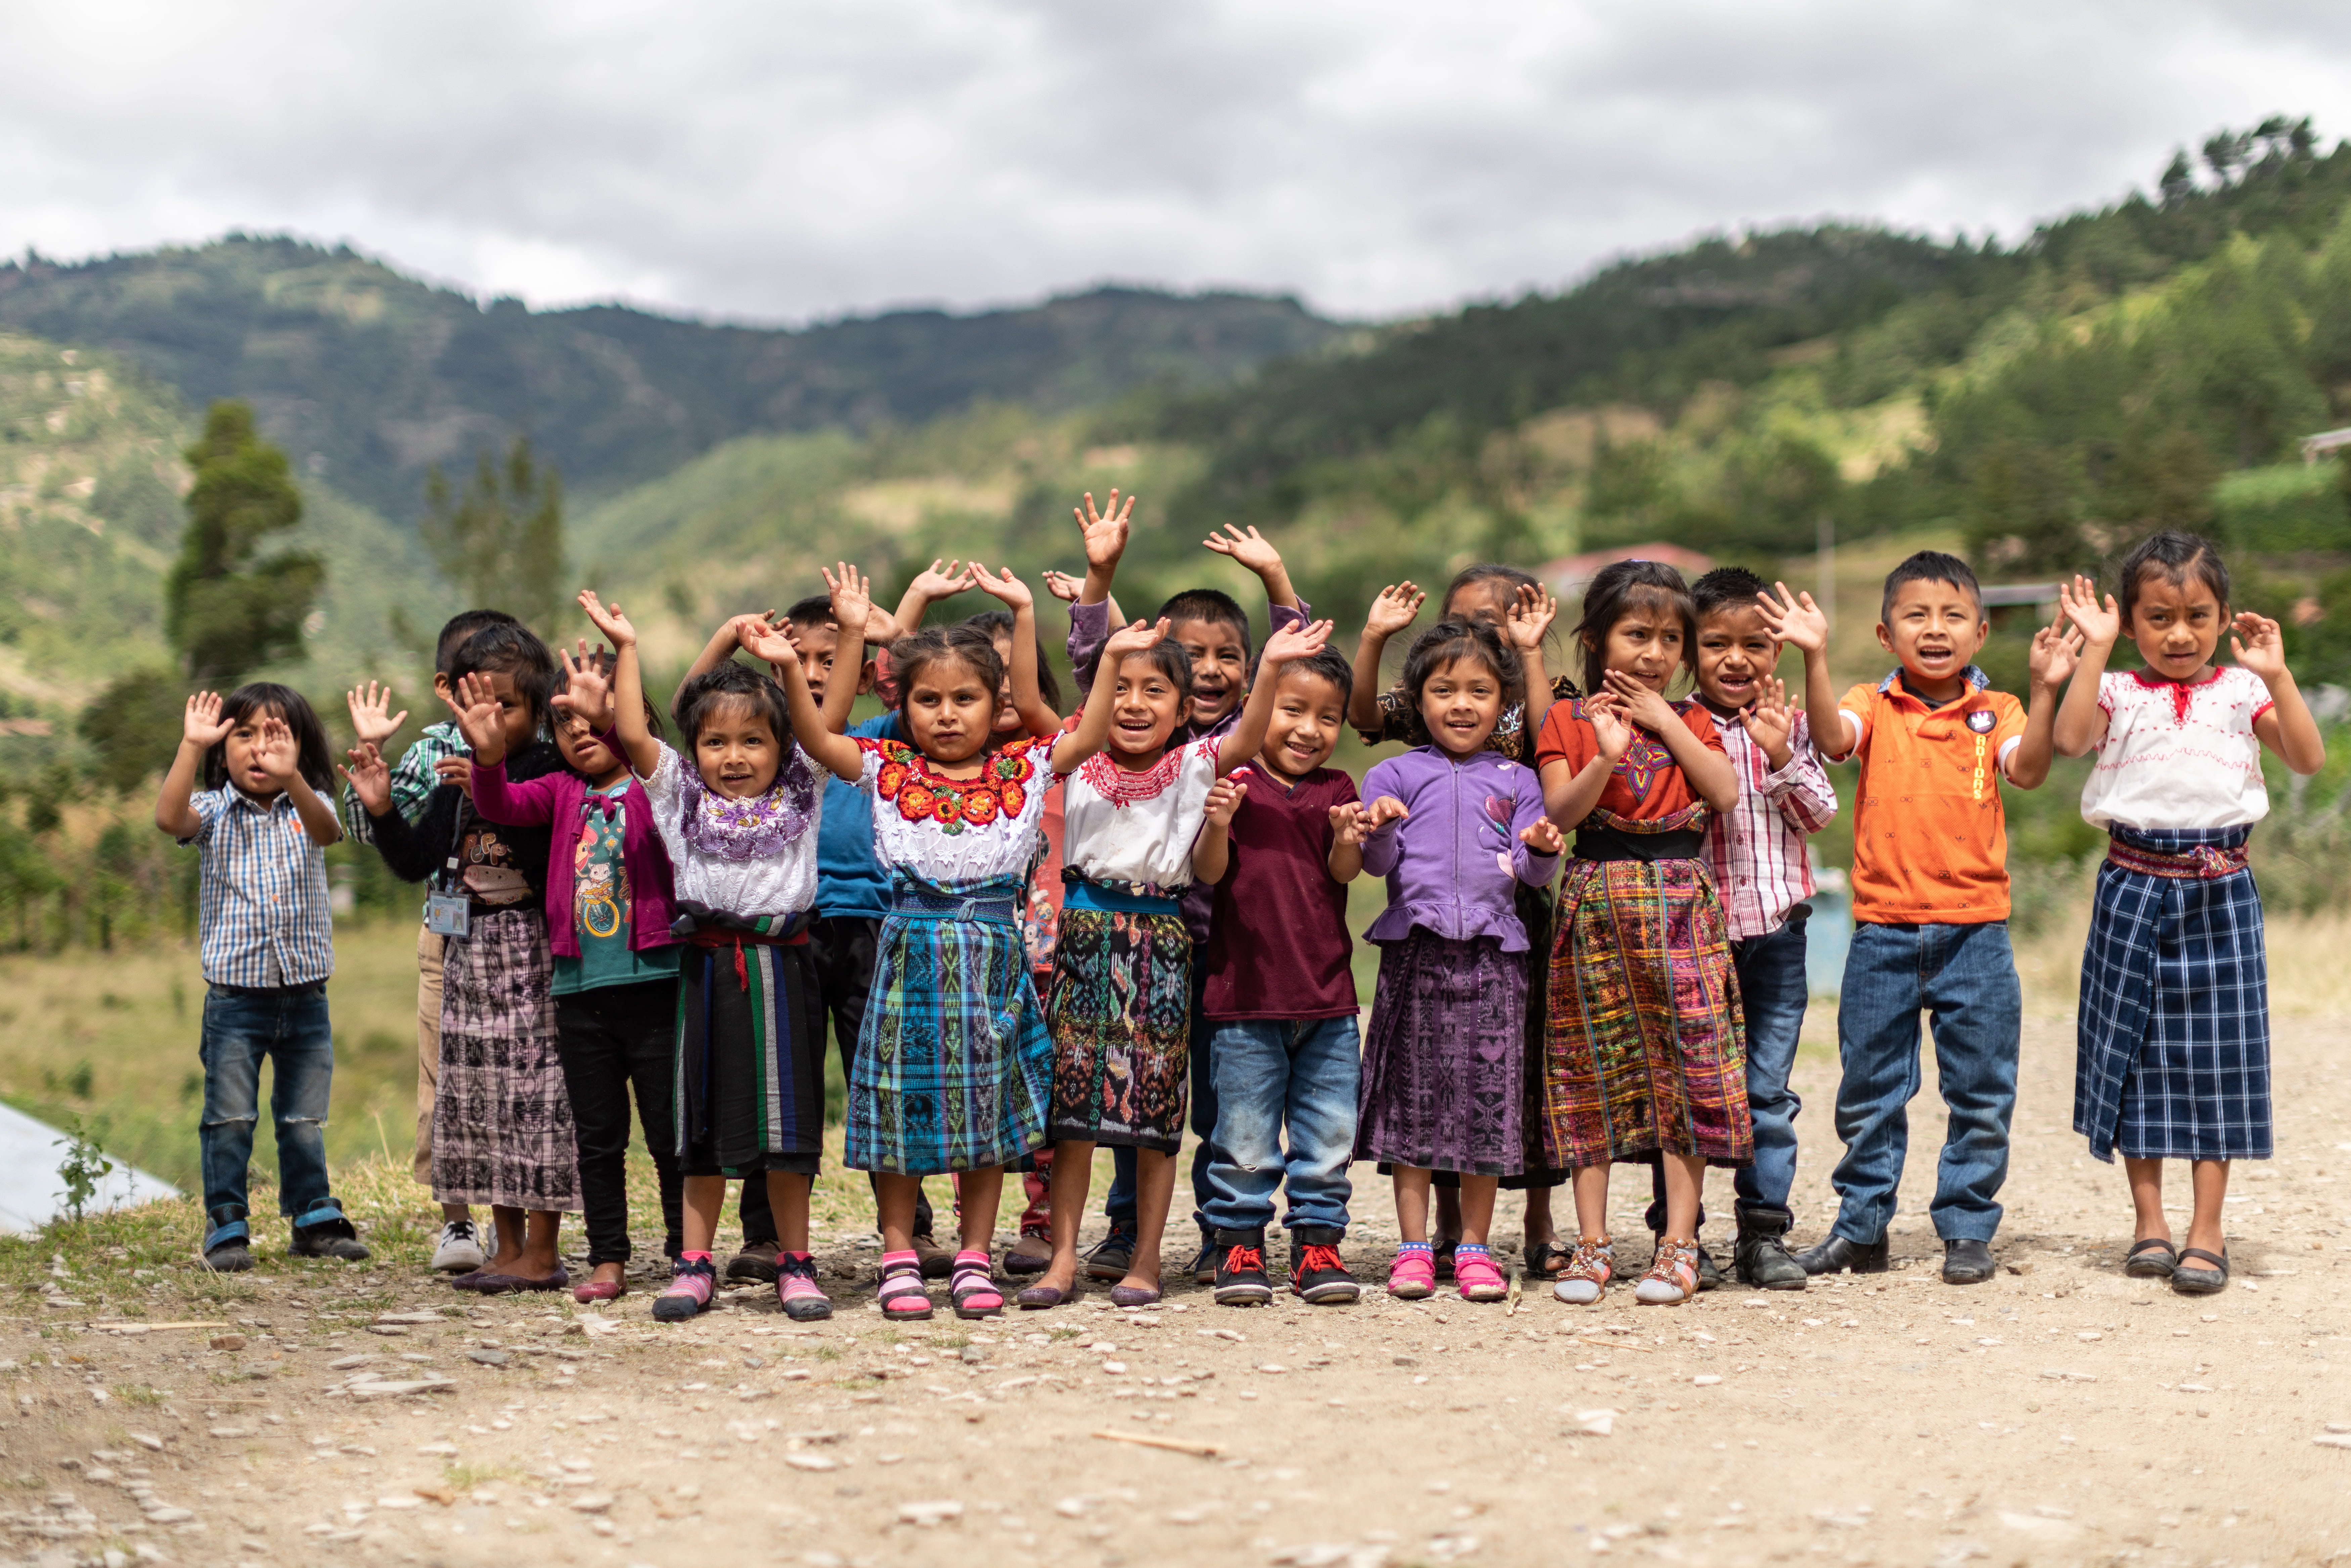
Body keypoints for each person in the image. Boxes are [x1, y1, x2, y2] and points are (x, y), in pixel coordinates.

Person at [781, 562, 1158, 1320]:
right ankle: (896, 1254)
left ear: (996, 705)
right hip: (908, 957)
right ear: (904, 704)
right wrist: (851, 632)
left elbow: (1082, 728)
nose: (946, 714)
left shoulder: (1022, 769)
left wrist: (1023, 613)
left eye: (965, 698)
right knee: (900, 1110)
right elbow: (816, 734)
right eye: (928, 699)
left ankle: (975, 1256)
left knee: (987, 1115)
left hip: (990, 963)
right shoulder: (886, 770)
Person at [1759, 551, 2071, 1285]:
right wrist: (1814, 655)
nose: (1934, 629)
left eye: (1952, 615)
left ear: (1980, 631)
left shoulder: (1998, 714)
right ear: (1885, 631)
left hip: (1976, 933)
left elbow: (2026, 770)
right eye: (1916, 615)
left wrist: (2044, 689)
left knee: (1981, 1089)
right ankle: (1861, 1228)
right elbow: (1832, 742)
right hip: (1882, 932)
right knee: (1869, 1088)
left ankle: (1965, 1227)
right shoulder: (1872, 702)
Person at [1015, 601, 1328, 1309]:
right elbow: (1043, 704)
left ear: (1185, 708)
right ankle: (1062, 1260)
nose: (1132, 703)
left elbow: (1250, 730)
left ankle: (1147, 1261)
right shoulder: (1079, 757)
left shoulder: (1196, 763)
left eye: (1154, 691)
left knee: (1153, 1116)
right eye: (1119, 689)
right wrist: (1032, 613)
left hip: (1159, 943)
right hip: (1085, 937)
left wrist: (1275, 662)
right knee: (1072, 1119)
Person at [2051, 534, 2325, 1295]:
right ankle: (2149, 1223)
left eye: (2196, 616)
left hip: (2221, 887)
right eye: (2158, 617)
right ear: (2130, 622)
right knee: (2133, 1052)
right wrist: (2091, 653)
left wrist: (2278, 673)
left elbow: (2305, 758)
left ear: (2223, 617)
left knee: (2219, 1057)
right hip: (2131, 883)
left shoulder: (2243, 691)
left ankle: (2207, 1231)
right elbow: (2070, 740)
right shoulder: (2110, 690)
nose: (2179, 634)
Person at [1062, 492, 1316, 1284]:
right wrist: (1101, 580)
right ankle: (1122, 1227)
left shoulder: (1240, 738)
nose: (1208, 669)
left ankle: (1218, 1230)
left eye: (1226, 657)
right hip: (1132, 935)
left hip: (1227, 945)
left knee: (1206, 1099)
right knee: (1115, 1087)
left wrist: (1276, 581)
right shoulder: (1130, 727)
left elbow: (1295, 661)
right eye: (1190, 656)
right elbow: (1101, 663)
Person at [577, 587, 843, 1323]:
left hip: (784, 968)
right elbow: (633, 730)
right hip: (707, 970)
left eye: (753, 740)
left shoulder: (804, 784)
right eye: (717, 743)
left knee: (786, 1128)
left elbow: (827, 720)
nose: (734, 757)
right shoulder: (678, 795)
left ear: (781, 746)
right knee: (701, 1123)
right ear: (694, 751)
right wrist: (631, 647)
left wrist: (790, 664)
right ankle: (694, 1263)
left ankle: (796, 1261)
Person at [677, 589, 958, 1283]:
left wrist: (905, 615)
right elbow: (687, 708)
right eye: (796, 657)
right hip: (785, 939)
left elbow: (938, 687)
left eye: (827, 659)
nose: (806, 670)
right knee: (771, 1079)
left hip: (869, 924)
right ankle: (765, 1234)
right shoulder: (759, 748)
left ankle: (911, 1229)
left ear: (861, 672)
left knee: (883, 1076)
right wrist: (729, 639)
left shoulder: (880, 734)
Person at [1350, 566, 1573, 1281]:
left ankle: (1485, 1241)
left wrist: (1539, 851)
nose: (1461, 701)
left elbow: (1532, 859)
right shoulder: (1395, 769)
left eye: (1479, 689)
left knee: (1496, 1087)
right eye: (1443, 690)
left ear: (1503, 687)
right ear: (1419, 694)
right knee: (1417, 1090)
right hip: (1416, 943)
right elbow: (1375, 855)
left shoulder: (1519, 767)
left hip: (1498, 939)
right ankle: (1422, 1243)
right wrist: (1374, 635)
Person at [1533, 561, 1744, 1306]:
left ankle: (1678, 1245)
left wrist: (1660, 723)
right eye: (1635, 635)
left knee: (1687, 1070)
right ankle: (1590, 1247)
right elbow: (1558, 814)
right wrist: (1609, 753)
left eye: (1668, 638)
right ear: (1595, 639)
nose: (1653, 653)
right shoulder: (1565, 719)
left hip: (1680, 903)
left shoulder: (1690, 718)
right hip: (1595, 900)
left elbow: (1720, 792)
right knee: (1587, 1067)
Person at [348, 623, 580, 1292]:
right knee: (479, 1100)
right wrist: (385, 809)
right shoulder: (456, 779)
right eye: (477, 705)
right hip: (466, 956)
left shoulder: (547, 771)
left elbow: (542, 856)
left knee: (534, 1100)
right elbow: (418, 861)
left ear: (538, 713)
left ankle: (542, 1249)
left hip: (531, 956)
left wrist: (490, 776)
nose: (489, 719)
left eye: (506, 706)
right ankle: (503, 1247)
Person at [469, 641, 683, 1303]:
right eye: (567, 726)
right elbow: (501, 804)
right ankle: (609, 1259)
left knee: (666, 1133)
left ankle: (686, 1252)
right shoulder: (562, 792)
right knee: (597, 1138)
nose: (582, 735)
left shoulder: (657, 788)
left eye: (599, 720)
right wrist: (487, 757)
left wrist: (619, 714)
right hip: (578, 994)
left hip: (652, 984)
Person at [157, 685, 365, 1272]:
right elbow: (169, 817)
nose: (258, 749)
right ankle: (228, 1225)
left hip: (306, 998)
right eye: (242, 735)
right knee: (229, 1118)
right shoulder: (217, 810)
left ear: (300, 749)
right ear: (222, 752)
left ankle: (313, 1217)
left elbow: (329, 832)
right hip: (235, 1003)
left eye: (276, 736)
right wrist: (189, 745)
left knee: (302, 1119)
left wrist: (294, 777)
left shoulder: (311, 804)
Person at [342, 608, 521, 1274]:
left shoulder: (533, 745)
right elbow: (382, 839)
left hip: (520, 937)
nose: (492, 708)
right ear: (447, 686)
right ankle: (456, 1221)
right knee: (442, 1078)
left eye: (508, 696)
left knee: (514, 1079)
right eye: (479, 691)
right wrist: (377, 787)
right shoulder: (430, 752)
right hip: (447, 936)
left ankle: (519, 1212)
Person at [1191, 645, 1368, 1305]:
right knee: (1242, 1135)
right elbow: (1208, 874)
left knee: (1326, 1133)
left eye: (1326, 718)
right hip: (1241, 998)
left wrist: (1347, 837)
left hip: (1326, 998)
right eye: (1292, 710)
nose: (1307, 729)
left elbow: (1344, 873)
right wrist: (1217, 825)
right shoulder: (1232, 780)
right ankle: (1239, 1243)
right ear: (1260, 709)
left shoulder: (1337, 791)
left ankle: (1317, 1244)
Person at [1689, 567, 1839, 1291]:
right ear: (1688, 647)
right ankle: (1679, 1236)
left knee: (1766, 1094)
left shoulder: (1793, 720)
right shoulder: (1673, 723)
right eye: (1715, 641)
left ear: (1775, 652)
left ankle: (1761, 1234)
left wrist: (1778, 753)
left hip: (1776, 933)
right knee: (1684, 1086)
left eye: (1753, 643)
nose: (1734, 658)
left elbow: (1818, 814)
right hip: (1692, 934)